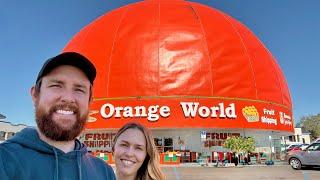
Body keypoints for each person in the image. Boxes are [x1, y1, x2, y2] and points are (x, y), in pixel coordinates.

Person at [0, 52, 116, 180]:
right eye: (56, 85)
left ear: (89, 101)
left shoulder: (105, 172)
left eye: (79, 89)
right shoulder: (4, 160)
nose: (68, 98)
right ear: (35, 95)